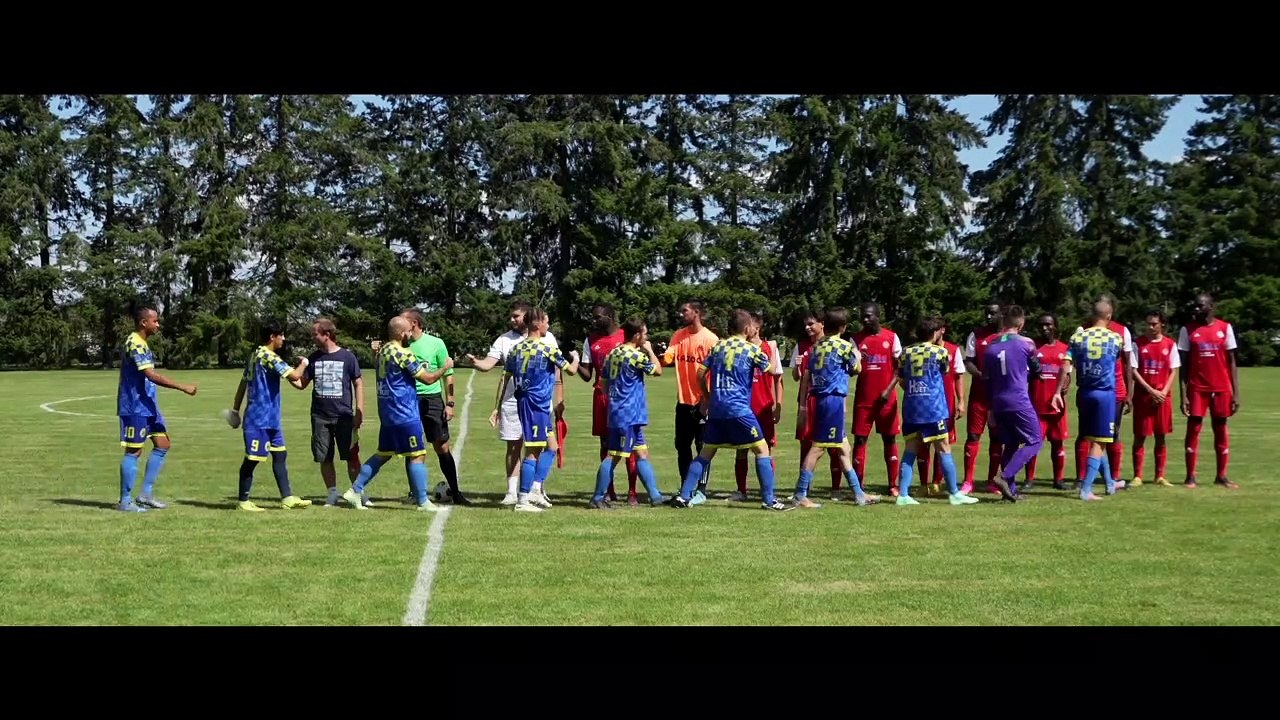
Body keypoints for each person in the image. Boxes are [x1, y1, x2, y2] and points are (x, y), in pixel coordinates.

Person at [671, 309, 788, 511]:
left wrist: (708, 396)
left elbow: (700, 374)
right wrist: (771, 350)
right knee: (762, 449)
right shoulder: (751, 349)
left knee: (706, 453)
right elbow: (771, 370)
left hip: (717, 410)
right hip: (739, 409)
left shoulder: (718, 347)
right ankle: (769, 500)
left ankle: (683, 496)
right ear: (747, 328)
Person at [343, 316, 454, 510]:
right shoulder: (404, 354)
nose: (411, 334)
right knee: (418, 454)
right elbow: (427, 379)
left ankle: (355, 490)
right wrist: (445, 367)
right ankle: (422, 501)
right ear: (403, 333)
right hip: (404, 412)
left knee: (382, 454)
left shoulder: (383, 351)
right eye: (409, 331)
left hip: (387, 413)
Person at [467, 301, 560, 505]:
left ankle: (535, 489)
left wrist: (559, 399)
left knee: (542, 446)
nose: (512, 319)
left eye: (516, 316)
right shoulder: (504, 340)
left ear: (528, 317)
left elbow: (557, 371)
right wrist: (477, 363)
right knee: (514, 446)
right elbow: (491, 366)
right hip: (512, 401)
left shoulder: (547, 337)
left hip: (539, 402)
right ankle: (512, 492)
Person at [375, 309, 470, 506]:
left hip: (431, 399)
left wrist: (450, 403)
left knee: (441, 446)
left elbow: (448, 375)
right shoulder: (399, 346)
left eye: (404, 320)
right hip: (408, 401)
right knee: (412, 448)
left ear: (414, 323)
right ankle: (415, 494)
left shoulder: (436, 343)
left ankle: (456, 492)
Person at [790, 307, 878, 508]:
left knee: (844, 448)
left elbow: (810, 372)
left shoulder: (817, 347)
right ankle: (800, 493)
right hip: (833, 400)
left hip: (820, 399)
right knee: (818, 448)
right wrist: (857, 356)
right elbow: (856, 369)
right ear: (843, 327)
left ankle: (859, 494)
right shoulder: (844, 346)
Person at [494, 308, 580, 512]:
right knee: (533, 451)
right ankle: (523, 500)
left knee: (552, 446)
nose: (548, 325)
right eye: (546, 321)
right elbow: (571, 370)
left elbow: (506, 378)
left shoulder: (515, 349)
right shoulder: (547, 349)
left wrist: (497, 406)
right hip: (536, 405)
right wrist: (576, 358)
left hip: (526, 402)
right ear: (537, 323)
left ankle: (534, 488)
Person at [116, 306, 198, 513]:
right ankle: (125, 501)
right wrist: (182, 387)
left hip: (148, 405)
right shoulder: (135, 342)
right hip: (134, 406)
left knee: (163, 443)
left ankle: (145, 495)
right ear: (143, 322)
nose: (158, 325)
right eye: (155, 321)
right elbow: (151, 375)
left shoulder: (143, 343)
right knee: (134, 451)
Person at [892, 316, 980, 506]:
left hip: (911, 408)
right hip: (933, 408)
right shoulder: (941, 352)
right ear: (933, 333)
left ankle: (903, 495)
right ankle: (954, 493)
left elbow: (901, 379)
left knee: (910, 450)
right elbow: (944, 371)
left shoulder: (906, 353)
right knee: (944, 448)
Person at [230, 322, 313, 511]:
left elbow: (243, 383)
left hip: (271, 419)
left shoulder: (254, 355)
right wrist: (304, 363)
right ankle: (243, 501)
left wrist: (235, 409)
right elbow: (295, 376)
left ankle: (287, 498)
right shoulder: (268, 356)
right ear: (272, 337)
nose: (283, 338)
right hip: (259, 419)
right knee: (252, 460)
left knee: (280, 454)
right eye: (280, 335)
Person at [591, 316, 666, 508]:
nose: (646, 337)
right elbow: (658, 371)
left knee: (641, 453)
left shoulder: (612, 354)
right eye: (645, 333)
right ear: (637, 335)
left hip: (620, 412)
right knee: (614, 455)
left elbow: (603, 383)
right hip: (628, 414)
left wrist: (615, 399)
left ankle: (655, 496)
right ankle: (597, 498)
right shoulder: (636, 356)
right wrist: (650, 350)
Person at [1054, 302, 1123, 500]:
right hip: (1104, 394)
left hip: (1084, 392)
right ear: (1109, 316)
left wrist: (1058, 391)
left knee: (1095, 439)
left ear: (1092, 315)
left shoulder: (1077, 337)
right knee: (1100, 441)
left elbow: (1066, 364)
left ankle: (1109, 483)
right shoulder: (1115, 338)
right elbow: (1115, 359)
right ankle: (1086, 489)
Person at [298, 318, 363, 507]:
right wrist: (287, 372)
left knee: (352, 456)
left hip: (344, 416)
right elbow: (301, 384)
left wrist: (359, 411)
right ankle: (332, 493)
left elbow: (358, 383)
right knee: (324, 457)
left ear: (326, 335)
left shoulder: (347, 357)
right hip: (320, 416)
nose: (312, 337)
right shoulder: (313, 358)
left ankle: (358, 492)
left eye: (315, 334)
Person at [1177, 294, 1239, 489]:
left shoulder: (1225, 328)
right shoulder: (1187, 330)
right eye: (1195, 306)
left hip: (1221, 388)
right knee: (1193, 429)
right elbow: (1183, 366)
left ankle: (1221, 475)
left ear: (1211, 306)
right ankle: (1190, 476)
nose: (1196, 309)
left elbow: (1232, 362)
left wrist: (1235, 393)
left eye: (1200, 306)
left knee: (1220, 429)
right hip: (1197, 388)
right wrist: (1183, 395)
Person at [1073, 294, 1135, 489]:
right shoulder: (1088, 331)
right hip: (1101, 389)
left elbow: (1128, 363)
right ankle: (1083, 481)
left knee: (1109, 435)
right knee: (1093, 436)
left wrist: (1129, 393)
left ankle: (1111, 480)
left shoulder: (1121, 331)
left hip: (1111, 390)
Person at [660, 300, 719, 504]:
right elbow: (668, 358)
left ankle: (701, 490)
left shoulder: (711, 339)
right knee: (682, 445)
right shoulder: (678, 335)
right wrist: (657, 355)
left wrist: (707, 401)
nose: (681, 314)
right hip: (683, 402)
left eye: (684, 311)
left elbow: (715, 374)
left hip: (704, 402)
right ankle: (686, 487)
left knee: (703, 446)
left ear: (697, 312)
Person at [576, 303, 636, 504]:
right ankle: (609, 491)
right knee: (605, 444)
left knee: (630, 444)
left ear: (610, 316)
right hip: (601, 397)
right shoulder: (590, 340)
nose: (593, 321)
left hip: (625, 397)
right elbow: (587, 375)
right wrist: (574, 362)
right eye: (592, 317)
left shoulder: (625, 336)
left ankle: (632, 493)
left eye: (598, 317)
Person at [981, 305, 1041, 502]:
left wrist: (990, 407)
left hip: (998, 401)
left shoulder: (990, 346)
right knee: (1035, 440)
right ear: (1021, 324)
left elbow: (986, 379)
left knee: (1011, 443)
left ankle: (1010, 493)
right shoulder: (1026, 343)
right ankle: (1004, 476)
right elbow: (1037, 369)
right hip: (1018, 399)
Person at [851, 303, 903, 496]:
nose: (865, 320)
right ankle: (858, 486)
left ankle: (893, 485)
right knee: (860, 439)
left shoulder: (891, 337)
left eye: (869, 316)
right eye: (863, 316)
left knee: (889, 439)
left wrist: (888, 391)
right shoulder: (855, 339)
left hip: (886, 399)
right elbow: (852, 369)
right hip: (864, 399)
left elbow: (900, 368)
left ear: (878, 316)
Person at [731, 311, 783, 501]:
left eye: (749, 325)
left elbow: (778, 379)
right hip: (743, 406)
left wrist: (778, 405)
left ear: (757, 328)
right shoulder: (739, 348)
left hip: (764, 407)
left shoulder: (769, 348)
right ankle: (741, 491)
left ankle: (767, 491)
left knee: (766, 450)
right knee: (741, 449)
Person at [789, 310, 843, 495]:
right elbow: (796, 377)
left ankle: (836, 488)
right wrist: (797, 366)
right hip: (806, 402)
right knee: (805, 444)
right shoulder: (801, 346)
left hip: (827, 400)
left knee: (833, 446)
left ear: (822, 324)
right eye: (806, 324)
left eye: (811, 324)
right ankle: (804, 488)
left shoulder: (831, 345)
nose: (807, 327)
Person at [913, 317, 966, 496]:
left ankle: (937, 482)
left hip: (945, 404)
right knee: (922, 444)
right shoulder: (920, 351)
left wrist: (961, 401)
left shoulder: (952, 350)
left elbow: (959, 376)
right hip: (924, 403)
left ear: (942, 330)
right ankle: (923, 483)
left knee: (942, 444)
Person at [1131, 311, 1180, 487]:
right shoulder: (1138, 344)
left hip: (1162, 399)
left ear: (1162, 325)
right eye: (1148, 324)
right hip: (1143, 397)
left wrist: (1163, 392)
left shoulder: (1170, 344)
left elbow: (1173, 370)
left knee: (1161, 436)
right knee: (1140, 436)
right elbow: (1134, 370)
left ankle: (1159, 476)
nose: (1150, 327)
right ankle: (1137, 476)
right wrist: (1151, 390)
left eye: (1154, 324)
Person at [962, 301, 1004, 494]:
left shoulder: (1009, 336)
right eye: (986, 313)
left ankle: (992, 481)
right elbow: (968, 361)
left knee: (997, 438)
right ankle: (968, 481)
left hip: (1000, 397)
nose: (988, 317)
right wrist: (979, 374)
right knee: (973, 435)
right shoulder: (976, 335)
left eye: (993, 313)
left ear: (1001, 314)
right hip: (979, 396)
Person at [1028, 314, 1072, 490]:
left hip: (1057, 406)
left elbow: (1068, 373)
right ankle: (1029, 480)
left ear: (1056, 326)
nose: (1044, 328)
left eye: (1048, 324)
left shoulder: (1065, 348)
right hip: (1036, 405)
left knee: (1058, 443)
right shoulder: (1032, 347)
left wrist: (1066, 385)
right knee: (1033, 444)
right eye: (1041, 325)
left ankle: (1058, 480)